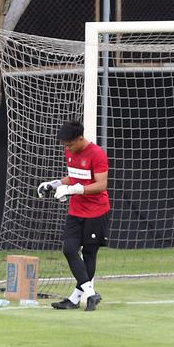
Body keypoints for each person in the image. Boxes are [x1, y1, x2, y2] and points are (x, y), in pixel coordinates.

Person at [38, 120, 110, 311]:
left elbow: (101, 185)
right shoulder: (69, 150)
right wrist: (54, 184)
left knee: (89, 253)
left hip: (96, 211)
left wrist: (76, 190)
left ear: (80, 138)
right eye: (64, 145)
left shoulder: (97, 154)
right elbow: (73, 176)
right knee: (69, 249)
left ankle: (75, 299)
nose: (67, 148)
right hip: (76, 211)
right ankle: (90, 294)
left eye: (69, 144)